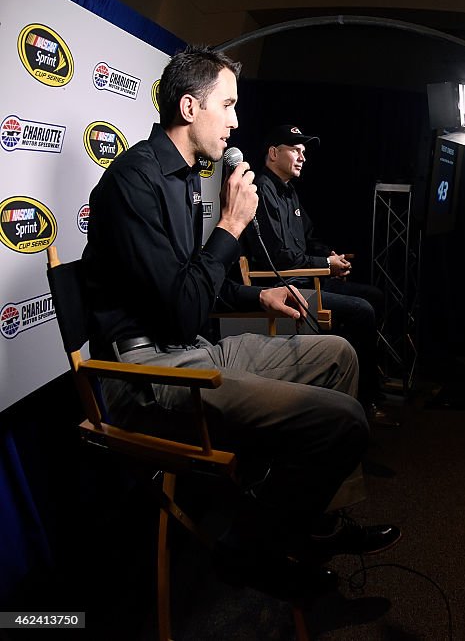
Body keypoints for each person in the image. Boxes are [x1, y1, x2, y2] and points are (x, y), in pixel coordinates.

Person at [82, 46, 397, 600]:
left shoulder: (184, 178)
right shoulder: (132, 182)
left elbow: (191, 288)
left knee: (338, 353)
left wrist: (261, 294)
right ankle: (250, 546)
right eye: (226, 105)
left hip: (191, 344)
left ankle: (313, 520)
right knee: (346, 421)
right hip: (146, 374)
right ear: (188, 106)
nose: (235, 122)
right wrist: (231, 226)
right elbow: (180, 305)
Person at [243, 125, 393, 425]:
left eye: (304, 152)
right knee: (361, 311)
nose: (302, 157)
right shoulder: (261, 191)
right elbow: (278, 258)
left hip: (309, 278)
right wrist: (325, 264)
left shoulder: (290, 192)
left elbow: (310, 238)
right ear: (274, 153)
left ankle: (363, 384)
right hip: (286, 288)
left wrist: (331, 257)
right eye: (295, 150)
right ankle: (362, 402)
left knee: (375, 297)